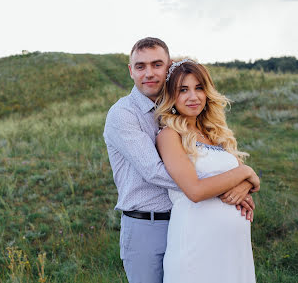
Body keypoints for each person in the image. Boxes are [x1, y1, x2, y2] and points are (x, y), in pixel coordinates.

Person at [103, 37, 258, 283]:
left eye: (157, 64)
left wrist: (245, 183)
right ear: (131, 71)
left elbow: (217, 166)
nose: (149, 73)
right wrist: (227, 187)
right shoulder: (124, 115)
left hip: (187, 221)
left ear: (168, 68)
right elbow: (156, 172)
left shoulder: (187, 118)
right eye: (140, 66)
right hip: (148, 225)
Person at [156, 59, 257, 283]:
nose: (193, 97)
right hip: (195, 248)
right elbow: (195, 191)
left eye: (199, 88)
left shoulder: (215, 133)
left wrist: (247, 183)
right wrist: (246, 172)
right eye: (183, 90)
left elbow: (247, 178)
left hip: (233, 251)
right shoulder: (170, 136)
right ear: (172, 96)